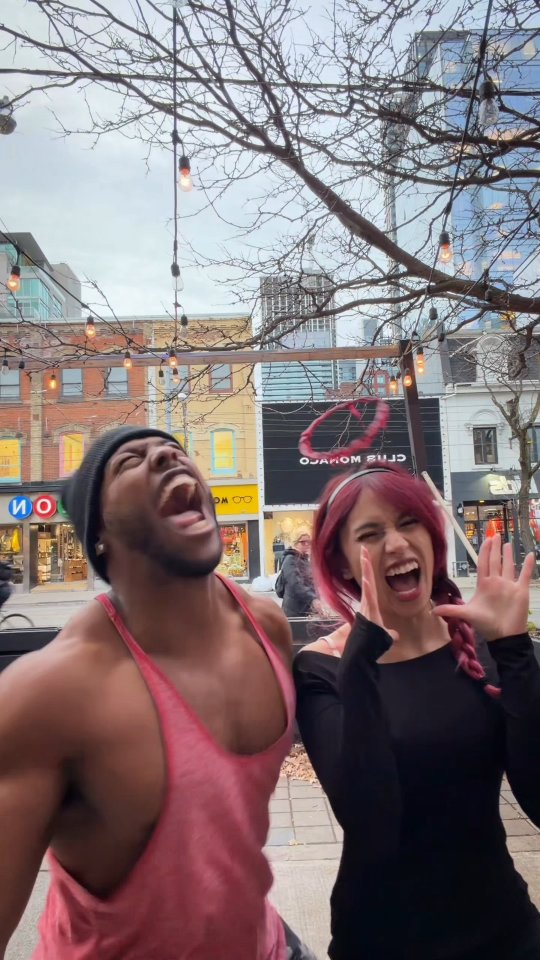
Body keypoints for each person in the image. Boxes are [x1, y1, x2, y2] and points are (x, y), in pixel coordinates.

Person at [0, 427, 317, 960]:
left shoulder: (265, 627)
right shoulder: (50, 696)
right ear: (98, 533)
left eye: (174, 450)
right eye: (130, 462)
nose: (167, 457)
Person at [294, 463, 540, 960]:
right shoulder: (322, 669)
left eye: (409, 523)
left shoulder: (487, 646)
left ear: (432, 539)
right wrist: (362, 656)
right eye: (370, 533)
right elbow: (369, 823)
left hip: (506, 931)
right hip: (382, 940)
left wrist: (514, 649)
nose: (397, 543)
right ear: (342, 564)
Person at [279, 534, 321, 619]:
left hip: (306, 609)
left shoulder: (304, 560)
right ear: (295, 544)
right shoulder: (290, 559)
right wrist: (313, 599)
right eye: (303, 542)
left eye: (309, 542)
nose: (307, 544)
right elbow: (296, 583)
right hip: (294, 611)